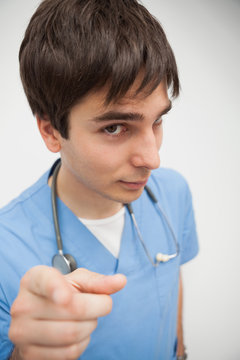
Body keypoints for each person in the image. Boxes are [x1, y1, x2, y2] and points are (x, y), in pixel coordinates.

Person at [0, 0, 198, 359]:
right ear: (51, 131)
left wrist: (181, 351)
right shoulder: (5, 249)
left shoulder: (173, 194)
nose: (153, 159)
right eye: (115, 127)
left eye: (157, 121)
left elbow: (172, 287)